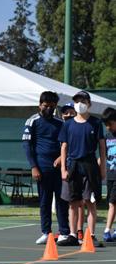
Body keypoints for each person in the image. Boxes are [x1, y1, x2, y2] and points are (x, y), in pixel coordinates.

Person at [58, 90, 106, 246]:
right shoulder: (68, 124)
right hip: (73, 166)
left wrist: (102, 168)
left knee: (90, 201)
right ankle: (72, 234)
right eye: (77, 101)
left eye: (83, 101)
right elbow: (64, 147)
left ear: (89, 104)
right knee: (73, 202)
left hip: (90, 166)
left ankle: (90, 235)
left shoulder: (96, 123)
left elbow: (102, 147)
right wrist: (63, 169)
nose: (80, 104)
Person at [22, 91, 69, 244]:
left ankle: (64, 232)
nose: (48, 108)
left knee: (62, 201)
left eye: (52, 106)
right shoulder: (32, 121)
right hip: (42, 168)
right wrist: (34, 167)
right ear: (39, 105)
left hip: (60, 168)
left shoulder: (60, 122)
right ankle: (46, 232)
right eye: (45, 105)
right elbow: (27, 146)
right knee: (44, 201)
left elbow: (67, 144)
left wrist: (61, 158)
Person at [60, 102, 85, 242]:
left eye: (71, 112)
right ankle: (69, 231)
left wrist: (60, 159)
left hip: (78, 167)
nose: (68, 114)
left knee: (79, 201)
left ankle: (79, 231)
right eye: (66, 112)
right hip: (66, 168)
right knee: (68, 201)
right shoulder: (62, 127)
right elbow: (62, 147)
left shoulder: (79, 127)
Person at [101, 107, 116, 242]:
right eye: (106, 125)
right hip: (110, 175)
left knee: (112, 203)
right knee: (112, 203)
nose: (108, 127)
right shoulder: (107, 137)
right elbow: (103, 156)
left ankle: (107, 230)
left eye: (110, 124)